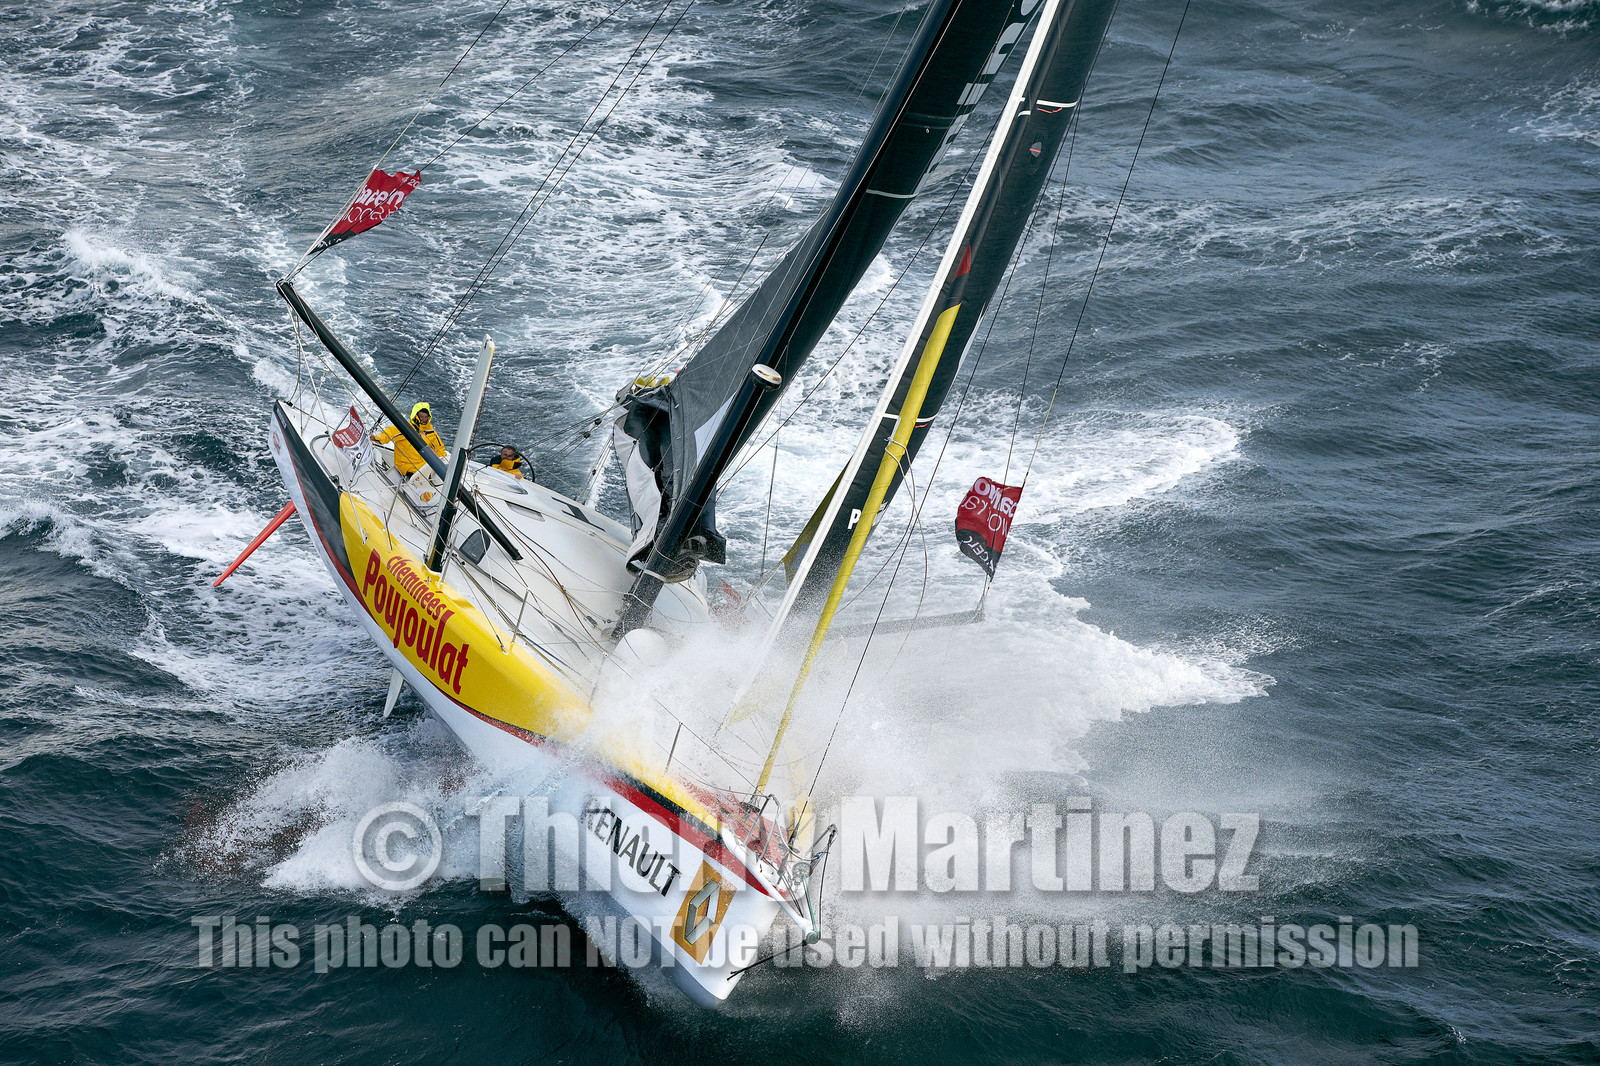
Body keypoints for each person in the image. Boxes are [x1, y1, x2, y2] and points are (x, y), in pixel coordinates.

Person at [371, 401, 446, 477]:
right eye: (421, 416)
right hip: (406, 466)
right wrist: (375, 438)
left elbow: (440, 450)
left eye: (426, 417)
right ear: (416, 416)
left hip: (423, 467)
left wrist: (442, 466)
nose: (424, 419)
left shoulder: (431, 432)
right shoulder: (405, 428)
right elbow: (389, 433)